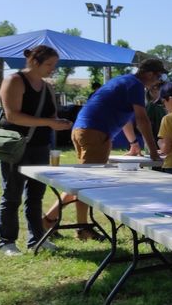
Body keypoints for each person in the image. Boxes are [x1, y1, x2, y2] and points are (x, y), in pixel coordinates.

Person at [64, 58, 166, 240]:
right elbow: (142, 120)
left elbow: (125, 118)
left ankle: (81, 227)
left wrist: (134, 143)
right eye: (158, 76)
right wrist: (153, 151)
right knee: (83, 184)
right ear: (149, 74)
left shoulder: (124, 81)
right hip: (96, 133)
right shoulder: (135, 85)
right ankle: (50, 221)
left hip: (82, 130)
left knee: (83, 182)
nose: (158, 81)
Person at [0, 45, 73, 256]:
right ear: (34, 61)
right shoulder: (14, 81)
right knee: (12, 194)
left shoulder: (48, 87)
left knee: (36, 195)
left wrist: (59, 123)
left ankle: (37, 239)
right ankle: (7, 242)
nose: (52, 69)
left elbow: (51, 116)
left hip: (40, 147)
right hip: (15, 146)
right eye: (49, 64)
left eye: (54, 65)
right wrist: (48, 122)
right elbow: (12, 116)